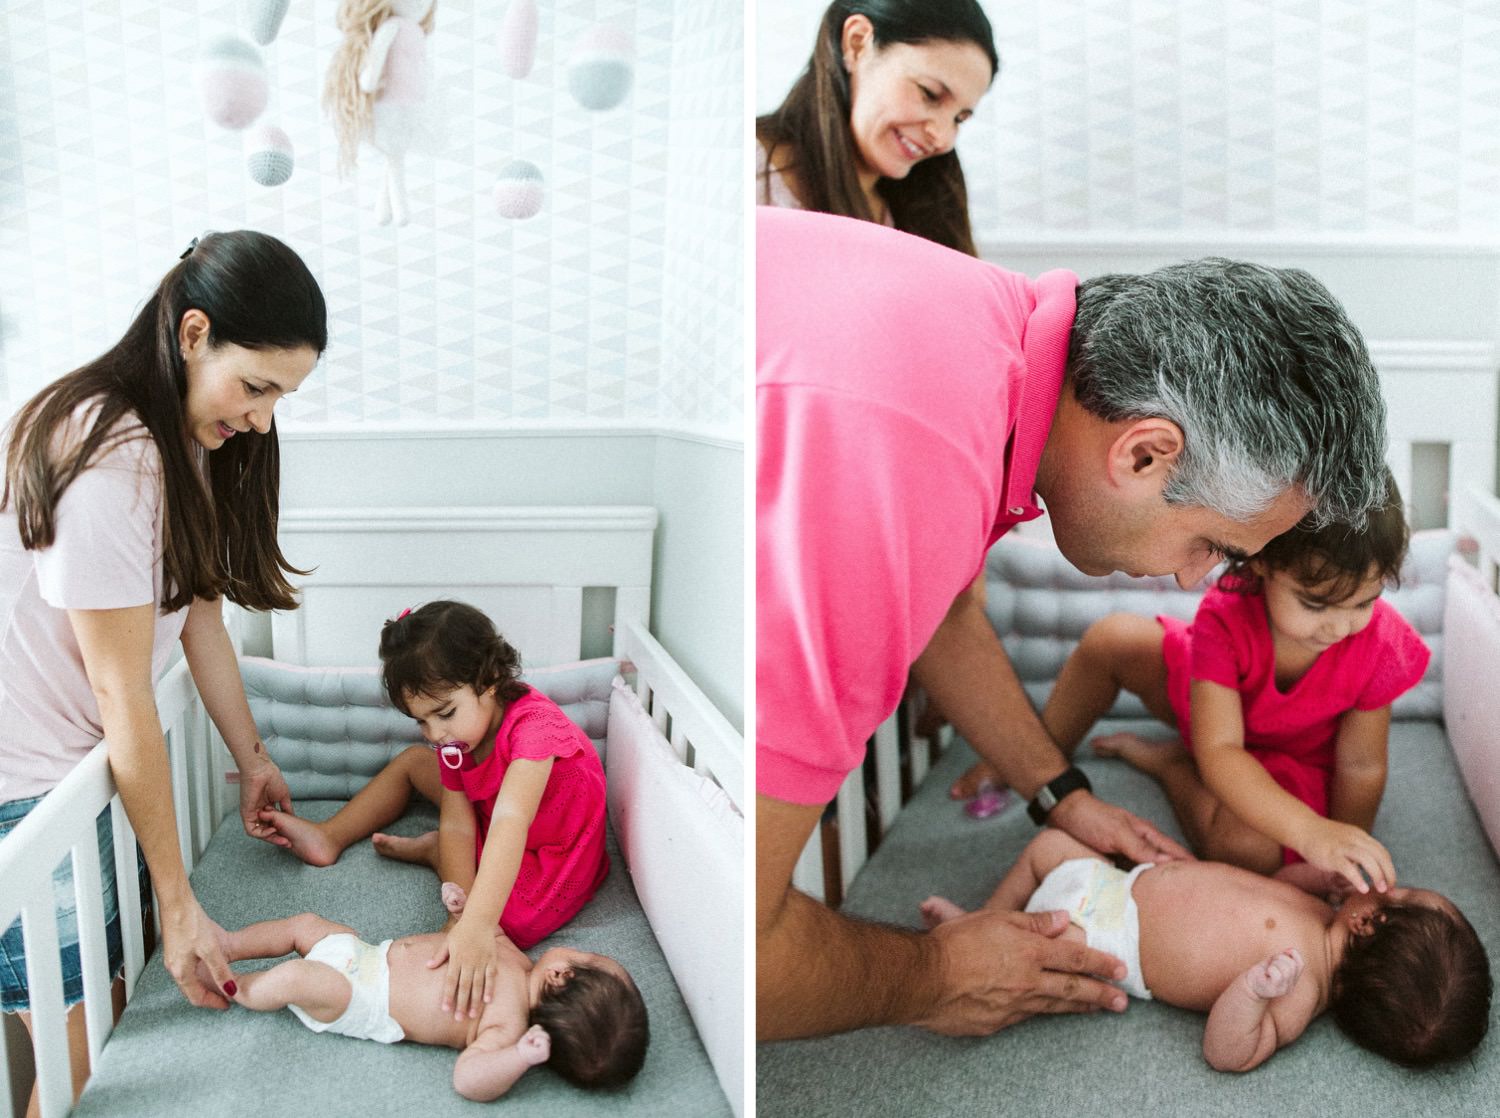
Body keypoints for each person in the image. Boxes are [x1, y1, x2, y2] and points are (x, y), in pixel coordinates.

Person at [756, 207, 1391, 1041]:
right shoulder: (906, 470)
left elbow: (939, 612)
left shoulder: (991, 337)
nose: (1197, 579)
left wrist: (1058, 791)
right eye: (1214, 545)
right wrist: (941, 973)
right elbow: (751, 950)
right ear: (1142, 454)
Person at [0, 231, 326, 1106]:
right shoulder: (107, 454)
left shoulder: (181, 442)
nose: (260, 418)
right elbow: (122, 692)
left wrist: (252, 756)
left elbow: (200, 618)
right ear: (191, 334)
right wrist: (177, 902)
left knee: (76, 1043)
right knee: (79, 1060)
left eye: (278, 399)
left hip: (69, 775)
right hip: (26, 791)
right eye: (255, 386)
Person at [960, 469, 1424, 892]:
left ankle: (1171, 767)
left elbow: (1361, 767)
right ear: (1260, 559)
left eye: (1365, 601)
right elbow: (1220, 749)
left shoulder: (1381, 644)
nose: (1339, 626)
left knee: (1242, 848)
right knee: (1111, 638)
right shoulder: (1226, 615)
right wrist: (1308, 830)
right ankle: (1029, 759)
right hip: (1215, 725)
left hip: (1296, 757)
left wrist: (1338, 849)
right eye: (1316, 605)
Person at [258, 600, 609, 1022]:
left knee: (506, 921)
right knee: (412, 763)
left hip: (546, 851)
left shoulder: (535, 730)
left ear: (491, 680)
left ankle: (432, 853)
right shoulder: (455, 741)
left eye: (444, 714)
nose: (436, 734)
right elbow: (460, 823)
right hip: (492, 815)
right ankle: (330, 834)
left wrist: (476, 927)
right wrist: (457, 913)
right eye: (422, 721)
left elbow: (511, 823)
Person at [921, 828, 1490, 1070]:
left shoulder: (1298, 990)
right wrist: (1320, 878)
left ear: (1370, 922)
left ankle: (972, 958)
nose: (1388, 881)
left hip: (1111, 941)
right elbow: (1276, 881)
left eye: (1403, 890)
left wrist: (1251, 990)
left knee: (1035, 953)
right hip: (1115, 884)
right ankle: (980, 923)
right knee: (1046, 847)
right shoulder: (1319, 914)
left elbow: (1230, 1053)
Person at [216, 911, 648, 1099]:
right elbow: (484, 933)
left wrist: (519, 1057)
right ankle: (228, 945)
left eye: (588, 957)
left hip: (360, 998)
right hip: (364, 953)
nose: (581, 950)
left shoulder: (507, 1023)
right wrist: (465, 912)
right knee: (304, 926)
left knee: (293, 978)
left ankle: (232, 985)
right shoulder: (517, 958)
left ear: (562, 974)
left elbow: (468, 1079)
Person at [756, 0, 997, 253]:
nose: (943, 138)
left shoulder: (926, 213)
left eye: (959, 118)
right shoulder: (752, 171)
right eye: (930, 94)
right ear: (857, 43)